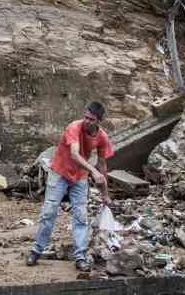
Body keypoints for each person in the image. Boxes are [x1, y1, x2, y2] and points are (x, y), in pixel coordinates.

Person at [27, 102, 113, 272]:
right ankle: (36, 251)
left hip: (79, 176)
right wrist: (93, 171)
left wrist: (105, 194)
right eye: (86, 117)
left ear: (99, 121)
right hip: (59, 172)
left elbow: (102, 166)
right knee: (49, 211)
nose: (87, 121)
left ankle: (80, 257)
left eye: (91, 119)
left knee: (80, 216)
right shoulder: (74, 127)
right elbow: (74, 153)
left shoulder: (102, 137)